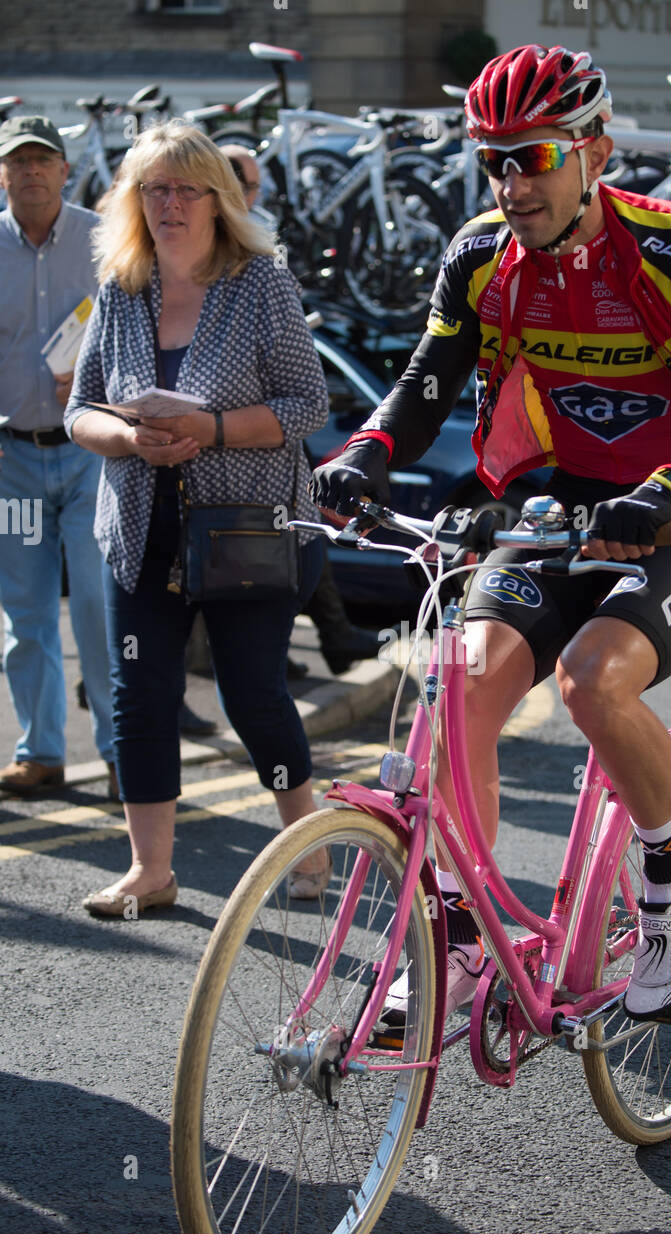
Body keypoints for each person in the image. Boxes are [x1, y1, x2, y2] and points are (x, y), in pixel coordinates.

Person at [312, 45, 671, 1029]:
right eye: (490, 158)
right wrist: (365, 453)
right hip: (563, 506)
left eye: (530, 155)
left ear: (594, 151)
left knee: (589, 678)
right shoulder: (481, 254)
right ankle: (449, 931)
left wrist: (669, 495)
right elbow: (424, 385)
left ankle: (670, 880)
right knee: (461, 687)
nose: (509, 180)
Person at [65, 120, 330, 917]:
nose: (169, 204)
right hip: (142, 527)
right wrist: (131, 439)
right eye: (153, 189)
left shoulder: (262, 282)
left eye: (185, 188)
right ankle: (152, 872)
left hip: (249, 529)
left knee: (253, 694)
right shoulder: (121, 286)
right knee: (139, 697)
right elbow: (80, 410)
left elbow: (308, 405)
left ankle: (308, 832)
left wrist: (205, 428)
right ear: (133, 202)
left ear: (217, 200)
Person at [221, 145, 381, 680]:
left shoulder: (260, 238)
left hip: (274, 415)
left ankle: (311, 640)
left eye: (257, 186)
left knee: (301, 526)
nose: (254, 196)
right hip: (236, 427)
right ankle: (302, 644)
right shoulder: (203, 246)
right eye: (245, 184)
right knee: (262, 540)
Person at [0, 114, 115, 797]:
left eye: (43, 160)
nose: (31, 172)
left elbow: (144, 333)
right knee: (24, 612)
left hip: (88, 459)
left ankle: (117, 753)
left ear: (65, 171)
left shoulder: (104, 241)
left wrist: (104, 381)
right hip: (12, 463)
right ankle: (40, 752)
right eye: (18, 162)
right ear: (2, 173)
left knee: (99, 607)